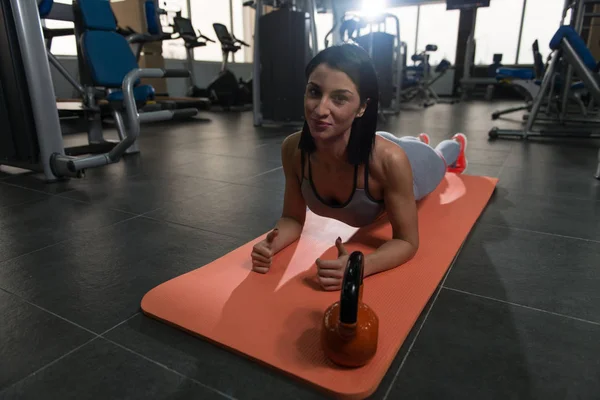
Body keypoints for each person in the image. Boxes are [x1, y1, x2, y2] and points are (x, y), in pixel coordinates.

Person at [250, 44, 468, 291]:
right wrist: (272, 244)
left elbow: (406, 242)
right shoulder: (293, 149)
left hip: (412, 165)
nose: (320, 110)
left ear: (362, 107)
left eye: (339, 98)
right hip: (361, 138)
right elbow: (291, 218)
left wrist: (359, 266)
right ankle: (417, 141)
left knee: (438, 157)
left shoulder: (391, 161)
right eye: (314, 92)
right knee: (394, 142)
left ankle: (455, 146)